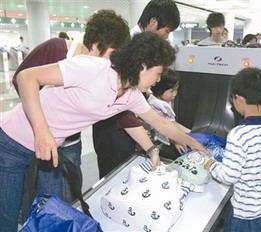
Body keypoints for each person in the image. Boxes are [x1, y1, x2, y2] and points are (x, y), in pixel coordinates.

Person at [0, 32, 207, 232]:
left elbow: (162, 124)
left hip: (50, 150)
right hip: (12, 143)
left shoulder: (131, 95)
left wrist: (195, 144)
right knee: (7, 215)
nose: (158, 80)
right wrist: (42, 132)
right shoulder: (93, 69)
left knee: (50, 211)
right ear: (143, 66)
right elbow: (27, 77)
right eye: (158, 74)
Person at [10, 11, 129, 222]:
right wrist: (41, 121)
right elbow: (21, 79)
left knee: (64, 202)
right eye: (113, 54)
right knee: (33, 197)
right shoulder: (56, 48)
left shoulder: (102, 71)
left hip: (70, 143)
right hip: (35, 137)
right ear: (96, 44)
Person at [93, 0, 181, 178]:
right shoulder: (125, 45)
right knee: (114, 176)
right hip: (113, 126)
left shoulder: (146, 47)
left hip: (131, 123)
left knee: (130, 174)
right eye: (166, 31)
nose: (166, 36)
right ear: (153, 22)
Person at [204, 67, 261, 232]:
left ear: (237, 98)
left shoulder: (238, 134)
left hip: (246, 213)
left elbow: (229, 176)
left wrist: (211, 165)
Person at [148, 69, 191, 154]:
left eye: (176, 90)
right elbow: (160, 127)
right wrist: (175, 140)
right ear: (159, 89)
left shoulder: (164, 101)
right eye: (172, 91)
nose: (175, 94)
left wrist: (191, 133)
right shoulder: (155, 105)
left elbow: (172, 122)